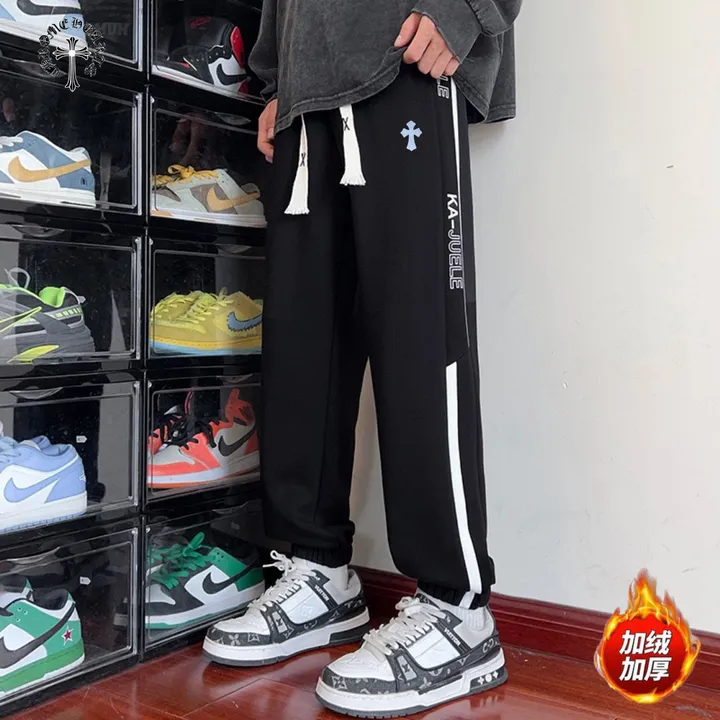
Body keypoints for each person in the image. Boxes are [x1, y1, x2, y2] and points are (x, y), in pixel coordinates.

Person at [203, 1, 522, 715]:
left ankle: (458, 608)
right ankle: (319, 571)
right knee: (303, 339)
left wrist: (465, 8)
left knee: (420, 336)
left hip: (406, 51)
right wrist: (277, 76)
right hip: (306, 83)